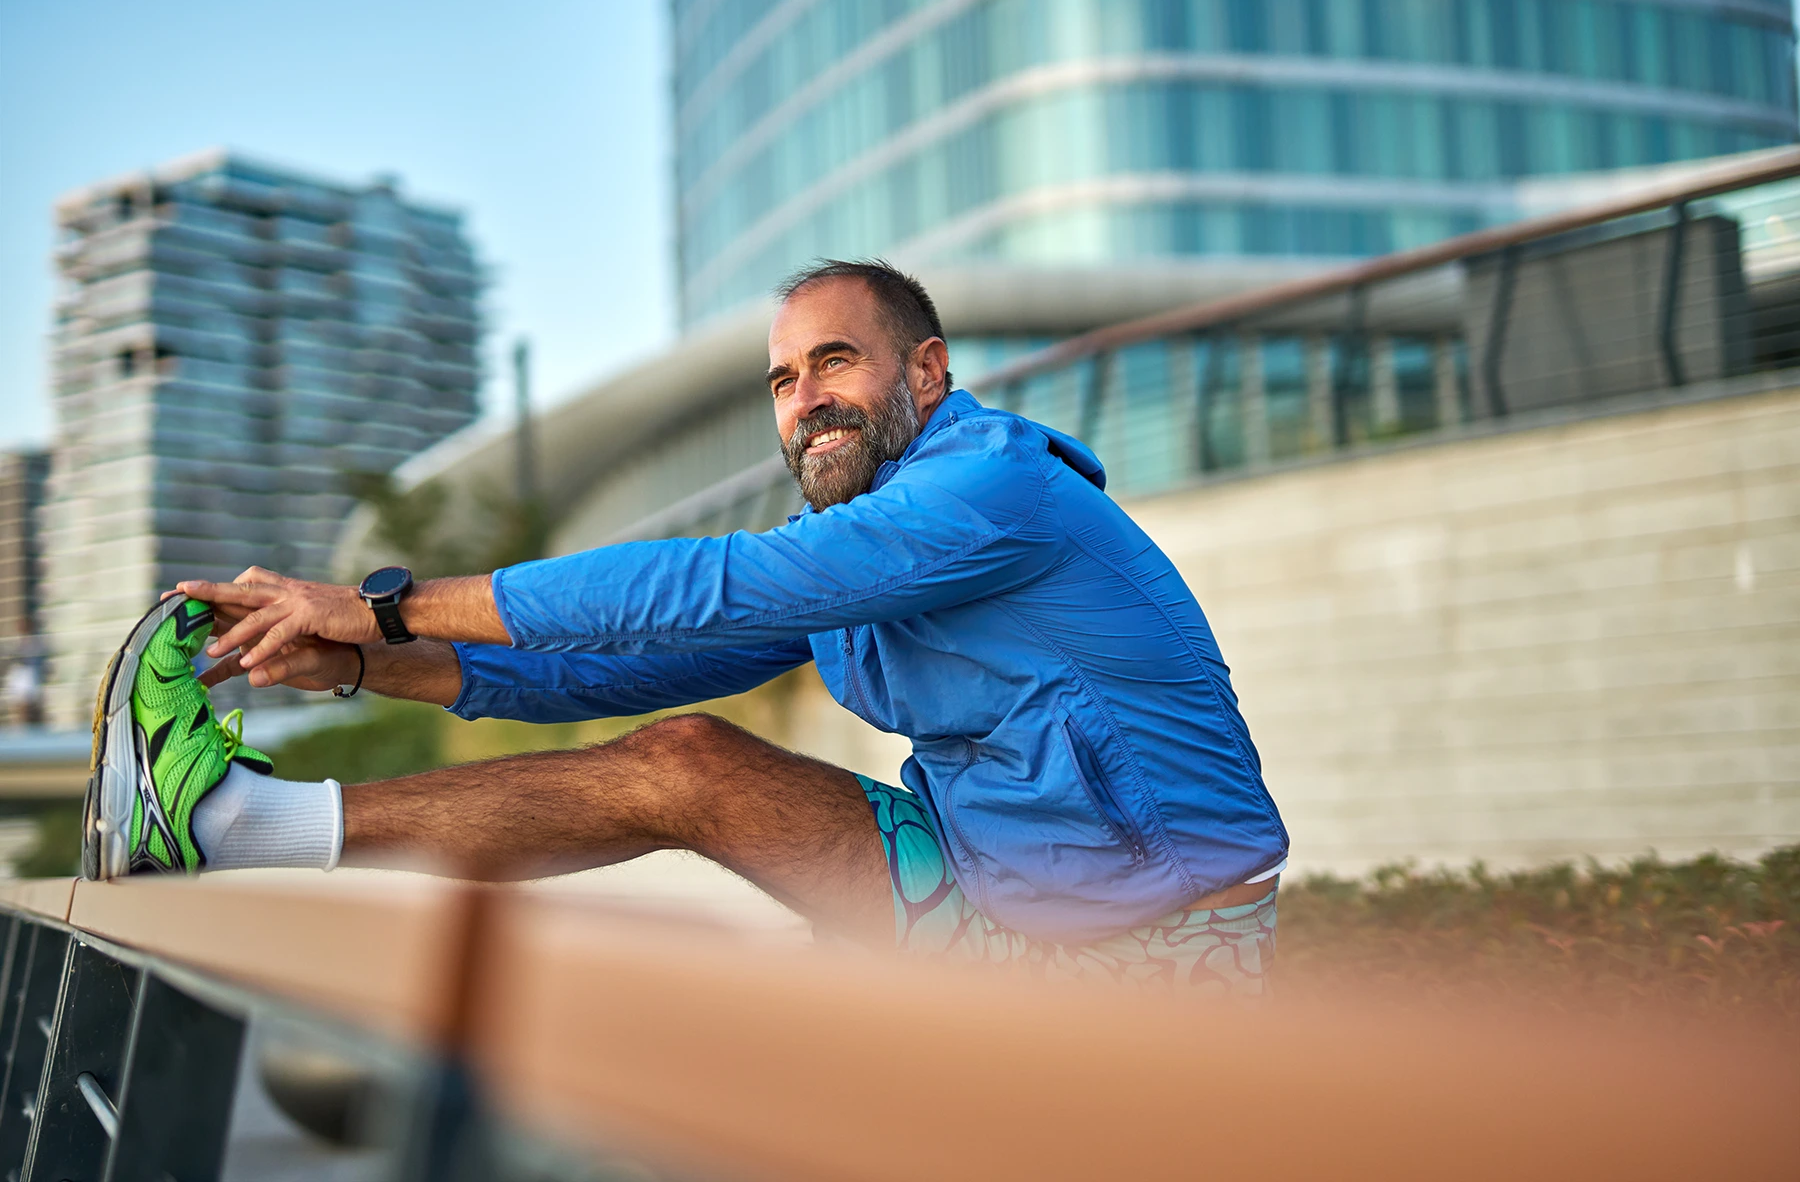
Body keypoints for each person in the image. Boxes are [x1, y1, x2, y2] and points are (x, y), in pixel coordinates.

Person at [87, 260, 1287, 991]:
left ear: (925, 374)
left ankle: (235, 827)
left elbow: (718, 585)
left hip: (1157, 949)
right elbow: (613, 669)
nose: (805, 399)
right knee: (680, 754)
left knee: (701, 813)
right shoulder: (867, 552)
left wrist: (384, 598)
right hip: (989, 894)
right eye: (781, 380)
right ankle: (236, 828)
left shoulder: (994, 490)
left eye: (835, 364)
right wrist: (362, 661)